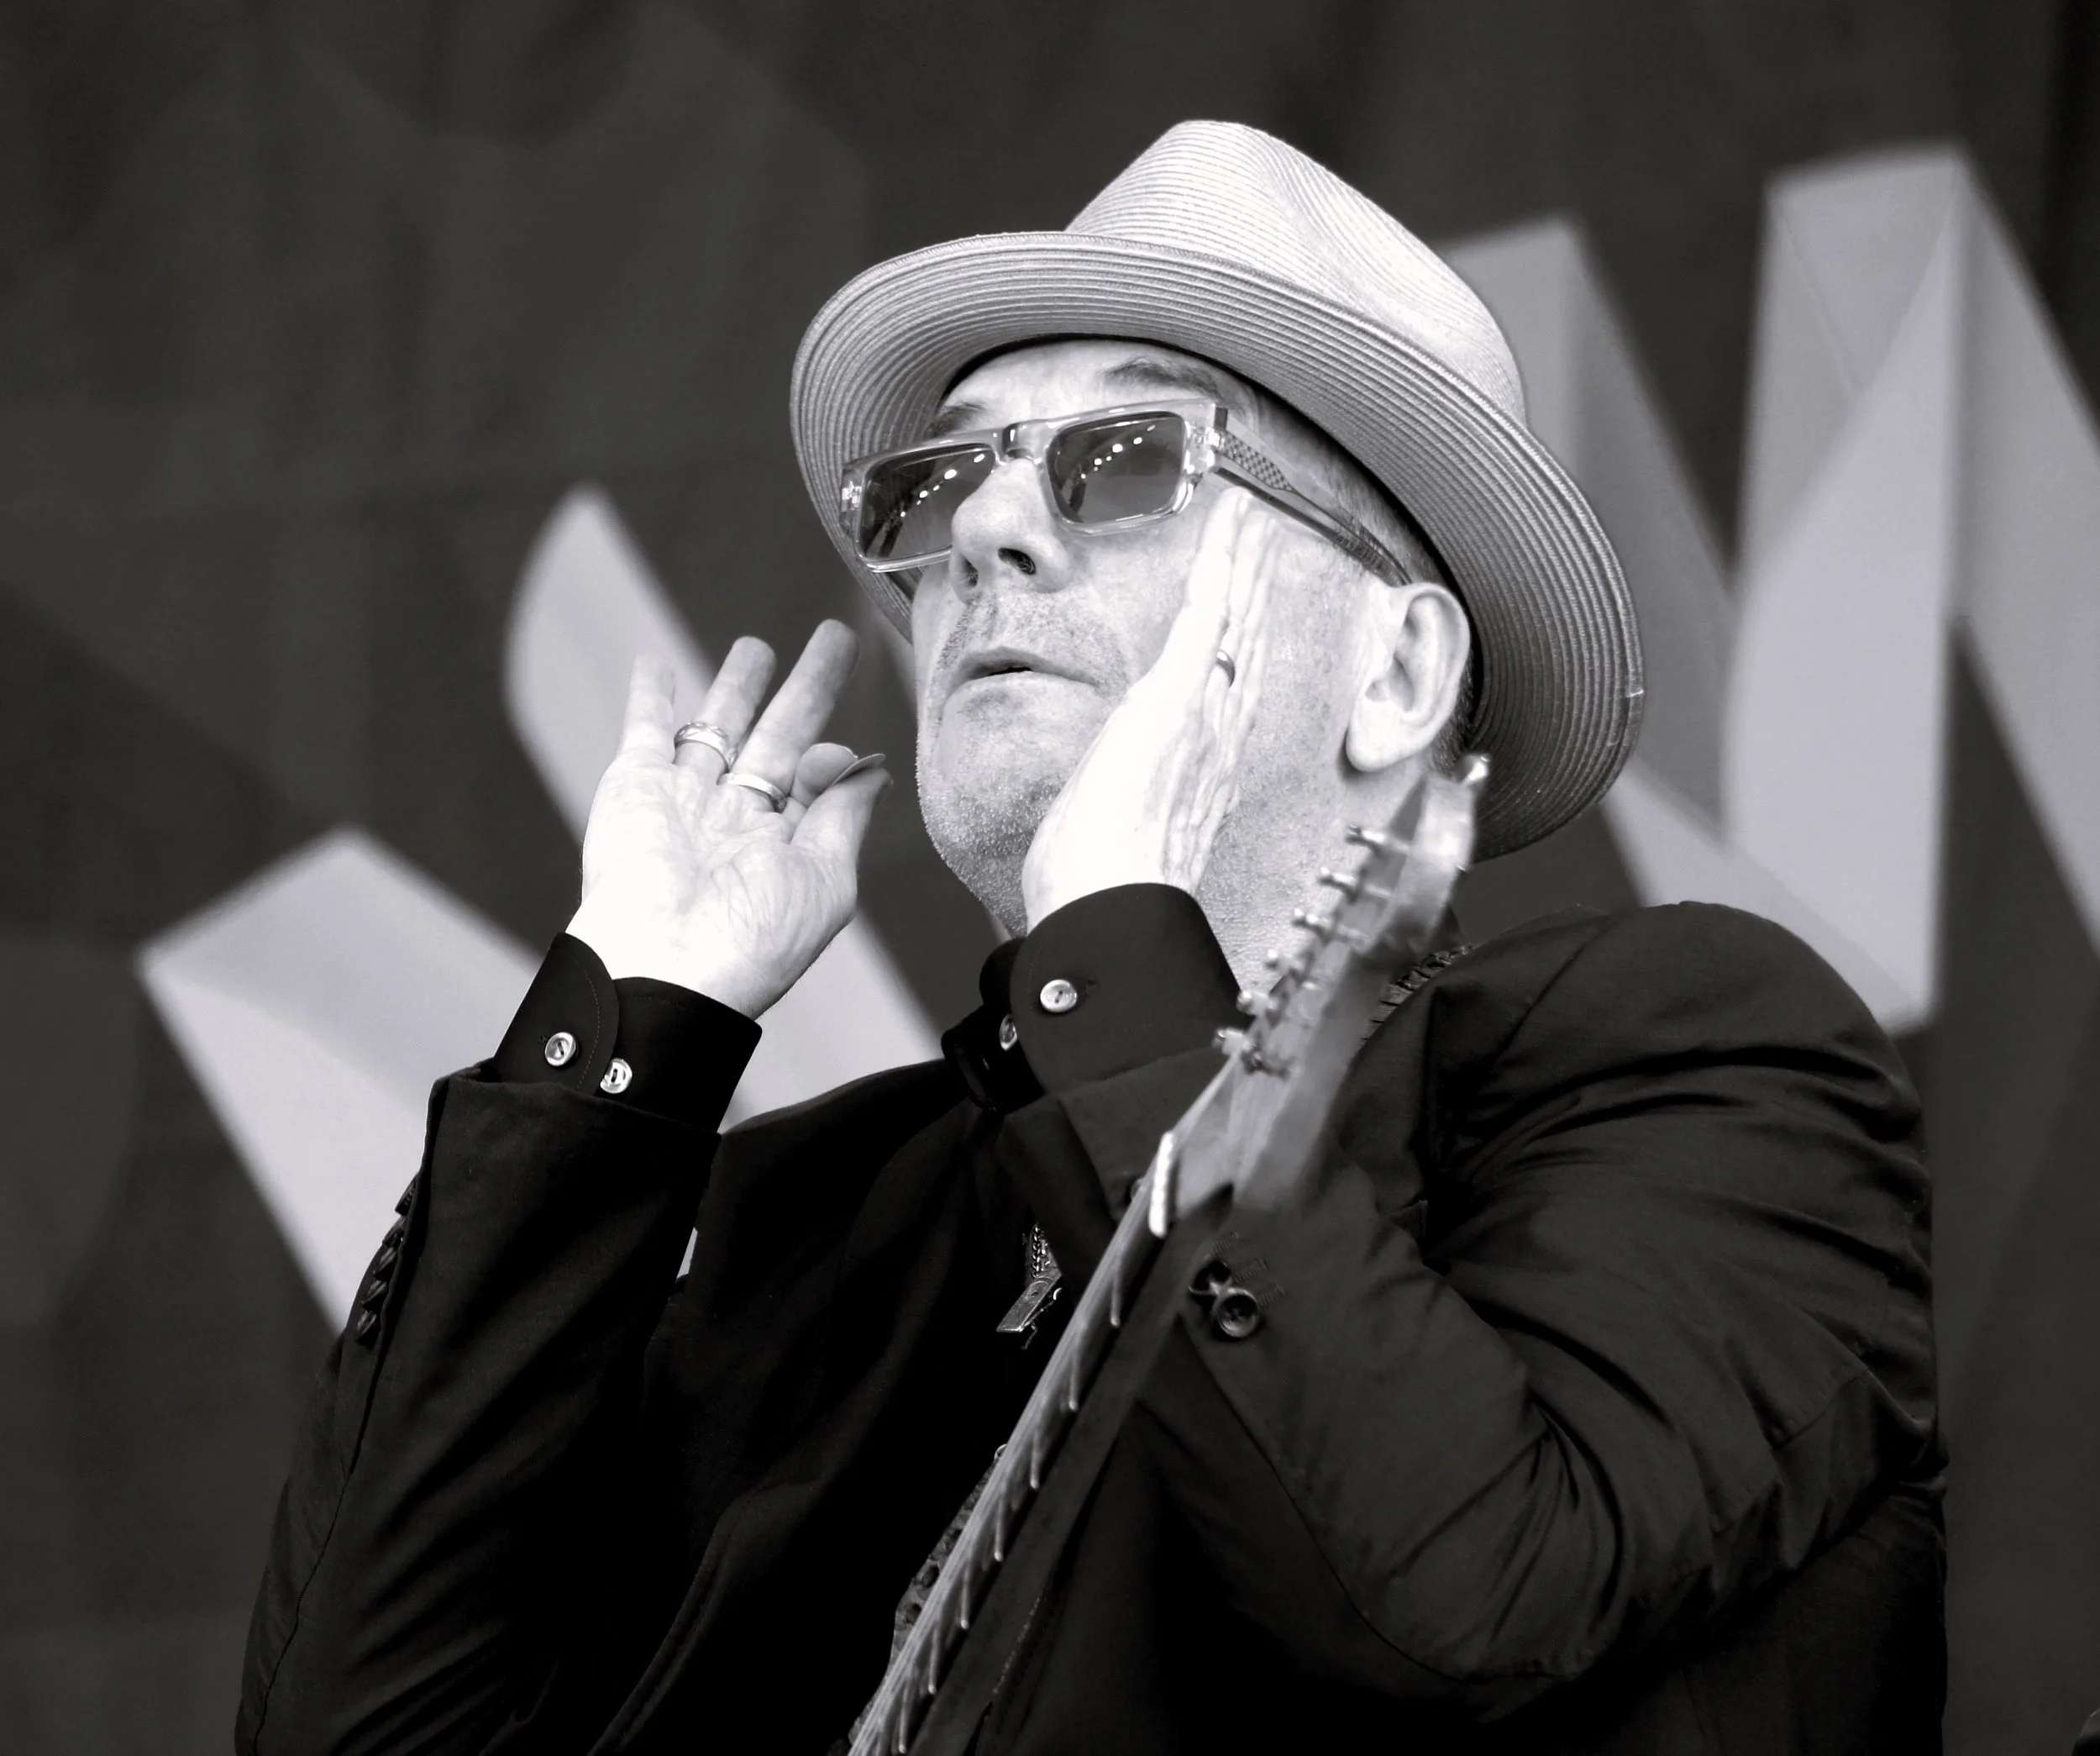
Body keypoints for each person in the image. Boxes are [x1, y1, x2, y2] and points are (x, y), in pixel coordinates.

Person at [237, 122, 1943, 1754]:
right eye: (947, 479)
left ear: (1397, 672)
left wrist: (1126, 943)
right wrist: (627, 1042)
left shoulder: (1681, 1056)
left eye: (1123, 462)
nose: (979, 531)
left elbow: (1451, 1602)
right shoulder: (809, 1224)